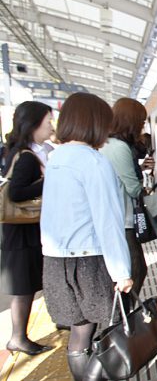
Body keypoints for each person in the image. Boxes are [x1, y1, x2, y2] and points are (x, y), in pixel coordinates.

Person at [41, 92, 132, 381]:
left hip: (56, 263)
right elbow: (108, 221)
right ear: (95, 123)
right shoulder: (93, 161)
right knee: (107, 332)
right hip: (89, 262)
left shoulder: (55, 158)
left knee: (79, 334)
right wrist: (122, 272)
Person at [0, 101, 54, 356]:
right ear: (33, 125)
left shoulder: (19, 152)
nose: (51, 127)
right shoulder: (28, 158)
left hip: (20, 231)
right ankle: (18, 338)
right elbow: (17, 192)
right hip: (22, 233)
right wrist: (47, 181)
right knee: (23, 288)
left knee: (26, 287)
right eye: (48, 122)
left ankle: (19, 336)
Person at [99, 98, 153, 310]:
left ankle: (125, 315)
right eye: (141, 121)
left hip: (118, 219)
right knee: (135, 271)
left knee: (135, 271)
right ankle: (126, 319)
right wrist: (145, 186)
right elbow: (133, 188)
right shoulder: (119, 147)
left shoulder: (109, 144)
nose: (143, 126)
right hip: (122, 220)